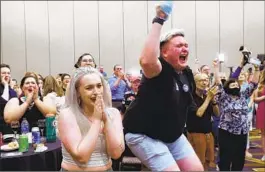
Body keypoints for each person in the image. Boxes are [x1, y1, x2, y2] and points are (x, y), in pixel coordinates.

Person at [123, 2, 203, 171]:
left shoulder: (186, 73)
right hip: (142, 134)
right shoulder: (160, 70)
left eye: (186, 45)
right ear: (164, 53)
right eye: (179, 46)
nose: (184, 48)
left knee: (196, 169)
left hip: (171, 135)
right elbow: (146, 60)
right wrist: (159, 19)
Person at [58, 67, 124, 171]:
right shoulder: (67, 114)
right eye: (89, 88)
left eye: (99, 86)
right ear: (78, 92)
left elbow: (116, 154)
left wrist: (106, 120)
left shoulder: (114, 113)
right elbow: (82, 157)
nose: (97, 92)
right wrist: (97, 120)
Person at [213, 59, 260, 171]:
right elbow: (218, 82)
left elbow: (253, 84)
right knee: (225, 157)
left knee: (239, 159)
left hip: (242, 133)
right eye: (232, 84)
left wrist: (257, 68)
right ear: (227, 88)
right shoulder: (224, 97)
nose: (235, 85)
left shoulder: (243, 95)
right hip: (226, 132)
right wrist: (215, 68)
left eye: (236, 84)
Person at [186, 73, 219, 170]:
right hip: (196, 134)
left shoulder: (206, 96)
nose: (205, 83)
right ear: (195, 83)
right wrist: (208, 98)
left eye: (206, 80)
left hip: (208, 133)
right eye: (202, 80)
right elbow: (199, 113)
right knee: (198, 162)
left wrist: (213, 101)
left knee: (209, 160)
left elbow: (217, 114)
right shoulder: (190, 97)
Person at [0, 64, 17, 134]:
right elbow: (3, 103)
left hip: (11, 127)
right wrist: (6, 85)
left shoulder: (12, 91)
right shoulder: (7, 88)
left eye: (8, 73)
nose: (6, 75)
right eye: (3, 73)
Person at [253, 69, 265, 161]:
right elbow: (255, 99)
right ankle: (264, 153)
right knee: (263, 134)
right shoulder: (260, 85)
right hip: (263, 109)